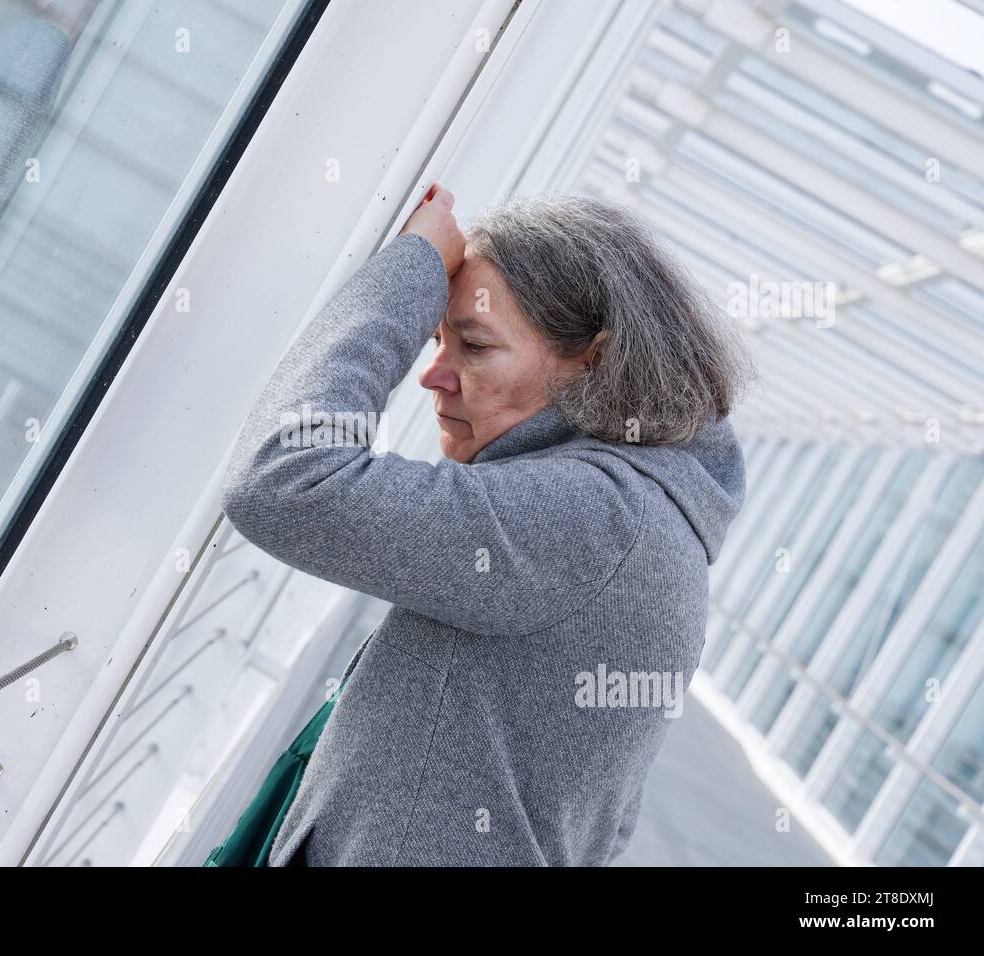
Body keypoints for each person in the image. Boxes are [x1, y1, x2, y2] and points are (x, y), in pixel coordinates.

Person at [221, 183, 754, 866]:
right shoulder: (651, 520)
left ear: (591, 363)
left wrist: (412, 267)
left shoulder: (596, 518)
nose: (433, 376)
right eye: (434, 340)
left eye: (472, 345)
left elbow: (286, 479)